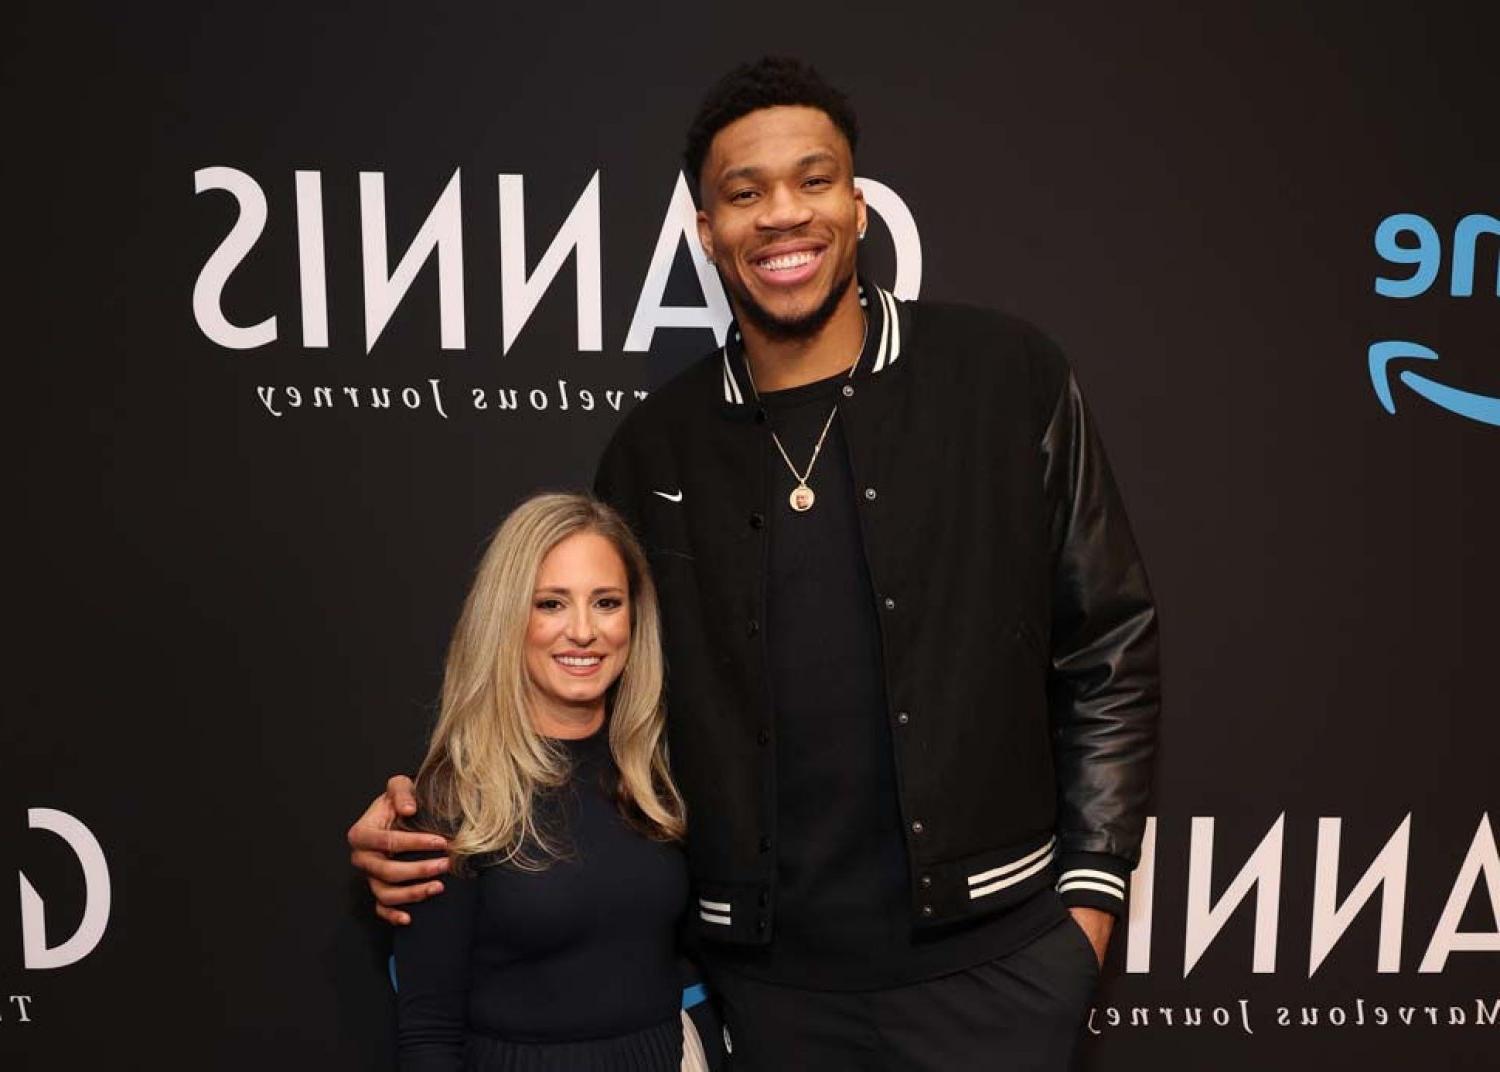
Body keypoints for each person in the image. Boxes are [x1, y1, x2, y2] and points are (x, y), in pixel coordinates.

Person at [351, 58, 1159, 1070]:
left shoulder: (1006, 377)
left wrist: (1089, 899)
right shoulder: (654, 450)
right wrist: (436, 826)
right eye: (745, 193)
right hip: (770, 1000)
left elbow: (1109, 643)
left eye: (812, 180)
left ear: (858, 207)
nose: (783, 215)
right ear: (707, 231)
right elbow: (602, 706)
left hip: (998, 971)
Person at [387, 492, 715, 1071]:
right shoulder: (453, 796)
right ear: (508, 617)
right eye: (552, 604)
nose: (584, 631)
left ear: (634, 618)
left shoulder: (661, 774)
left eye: (607, 602)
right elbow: (428, 1032)